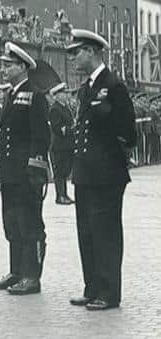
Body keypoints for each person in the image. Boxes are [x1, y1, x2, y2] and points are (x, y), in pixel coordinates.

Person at [67, 29, 136, 311]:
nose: (73, 58)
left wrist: (112, 155)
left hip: (106, 173)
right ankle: (92, 286)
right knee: (86, 231)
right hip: (85, 172)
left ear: (93, 51)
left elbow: (128, 132)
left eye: (78, 52)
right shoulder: (87, 88)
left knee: (105, 231)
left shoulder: (114, 85)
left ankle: (109, 292)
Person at [0, 42, 51, 295]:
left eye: (9, 64)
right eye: (3, 64)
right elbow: (8, 134)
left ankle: (32, 276)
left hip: (26, 173)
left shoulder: (35, 95)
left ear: (23, 67)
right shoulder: (10, 95)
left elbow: (41, 136)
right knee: (12, 223)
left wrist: (36, 169)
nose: (3, 69)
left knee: (30, 225)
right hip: (10, 172)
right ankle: (16, 271)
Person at [47, 82, 75, 205]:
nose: (66, 95)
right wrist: (72, 129)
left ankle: (64, 194)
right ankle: (60, 196)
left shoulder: (65, 107)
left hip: (67, 144)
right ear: (57, 95)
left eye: (66, 93)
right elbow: (57, 128)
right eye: (64, 93)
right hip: (60, 145)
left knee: (65, 170)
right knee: (60, 172)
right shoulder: (55, 109)